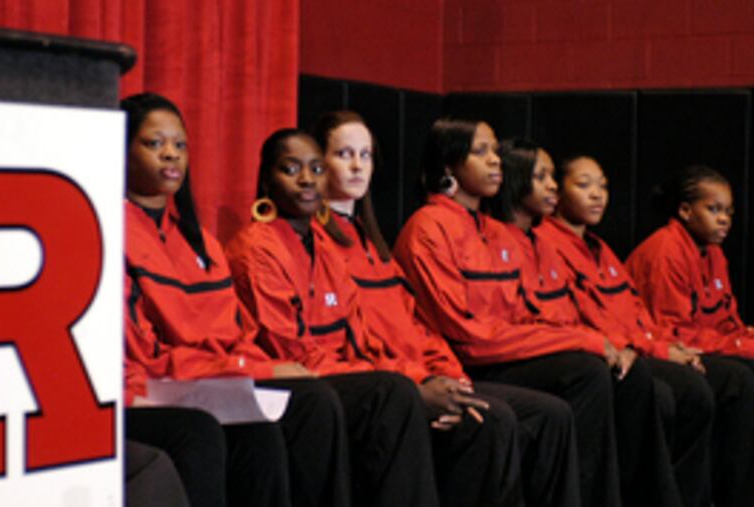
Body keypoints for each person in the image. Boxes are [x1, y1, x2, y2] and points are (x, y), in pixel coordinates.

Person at [310, 110, 580, 507]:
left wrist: (450, 376)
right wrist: (424, 383)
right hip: (388, 385)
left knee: (550, 414)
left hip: (428, 373)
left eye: (365, 155)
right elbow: (361, 340)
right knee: (493, 420)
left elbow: (417, 326)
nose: (356, 165)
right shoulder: (331, 241)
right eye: (344, 154)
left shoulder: (373, 244)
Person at [122, 93, 350, 507]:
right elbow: (144, 355)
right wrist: (246, 368)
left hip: (213, 379)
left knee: (293, 414)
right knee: (205, 431)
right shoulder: (112, 233)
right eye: (155, 144)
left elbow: (236, 332)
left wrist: (255, 367)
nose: (171, 154)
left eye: (179, 144)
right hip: (152, 387)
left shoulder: (201, 243)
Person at [393, 118, 624, 507]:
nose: (495, 161)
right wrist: (583, 340)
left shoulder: (495, 231)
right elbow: (467, 334)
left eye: (496, 151)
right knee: (584, 373)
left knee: (577, 391)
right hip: (466, 361)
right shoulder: (428, 227)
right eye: (481, 152)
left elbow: (524, 318)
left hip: (502, 353)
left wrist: (589, 340)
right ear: (449, 165)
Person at [224, 128, 440, 507]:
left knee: (439, 404)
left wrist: (421, 377)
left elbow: (362, 339)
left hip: (340, 376)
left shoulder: (327, 246)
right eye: (291, 169)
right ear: (266, 180)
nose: (307, 179)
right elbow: (291, 351)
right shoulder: (256, 248)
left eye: (316, 168)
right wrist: (400, 384)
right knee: (391, 395)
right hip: (292, 383)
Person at [535, 154, 715, 507]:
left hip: (639, 348)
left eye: (602, 186)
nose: (597, 195)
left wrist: (667, 347)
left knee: (701, 388)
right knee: (664, 392)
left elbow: (636, 312)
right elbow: (584, 319)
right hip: (600, 355)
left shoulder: (600, 248)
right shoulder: (547, 243)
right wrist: (659, 351)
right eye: (584, 185)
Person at [626, 164, 754, 507]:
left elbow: (726, 320)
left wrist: (744, 338)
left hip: (703, 346)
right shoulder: (665, 250)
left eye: (728, 211)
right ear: (685, 211)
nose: (724, 219)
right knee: (739, 379)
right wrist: (740, 345)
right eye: (713, 209)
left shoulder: (713, 253)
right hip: (666, 351)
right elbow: (674, 332)